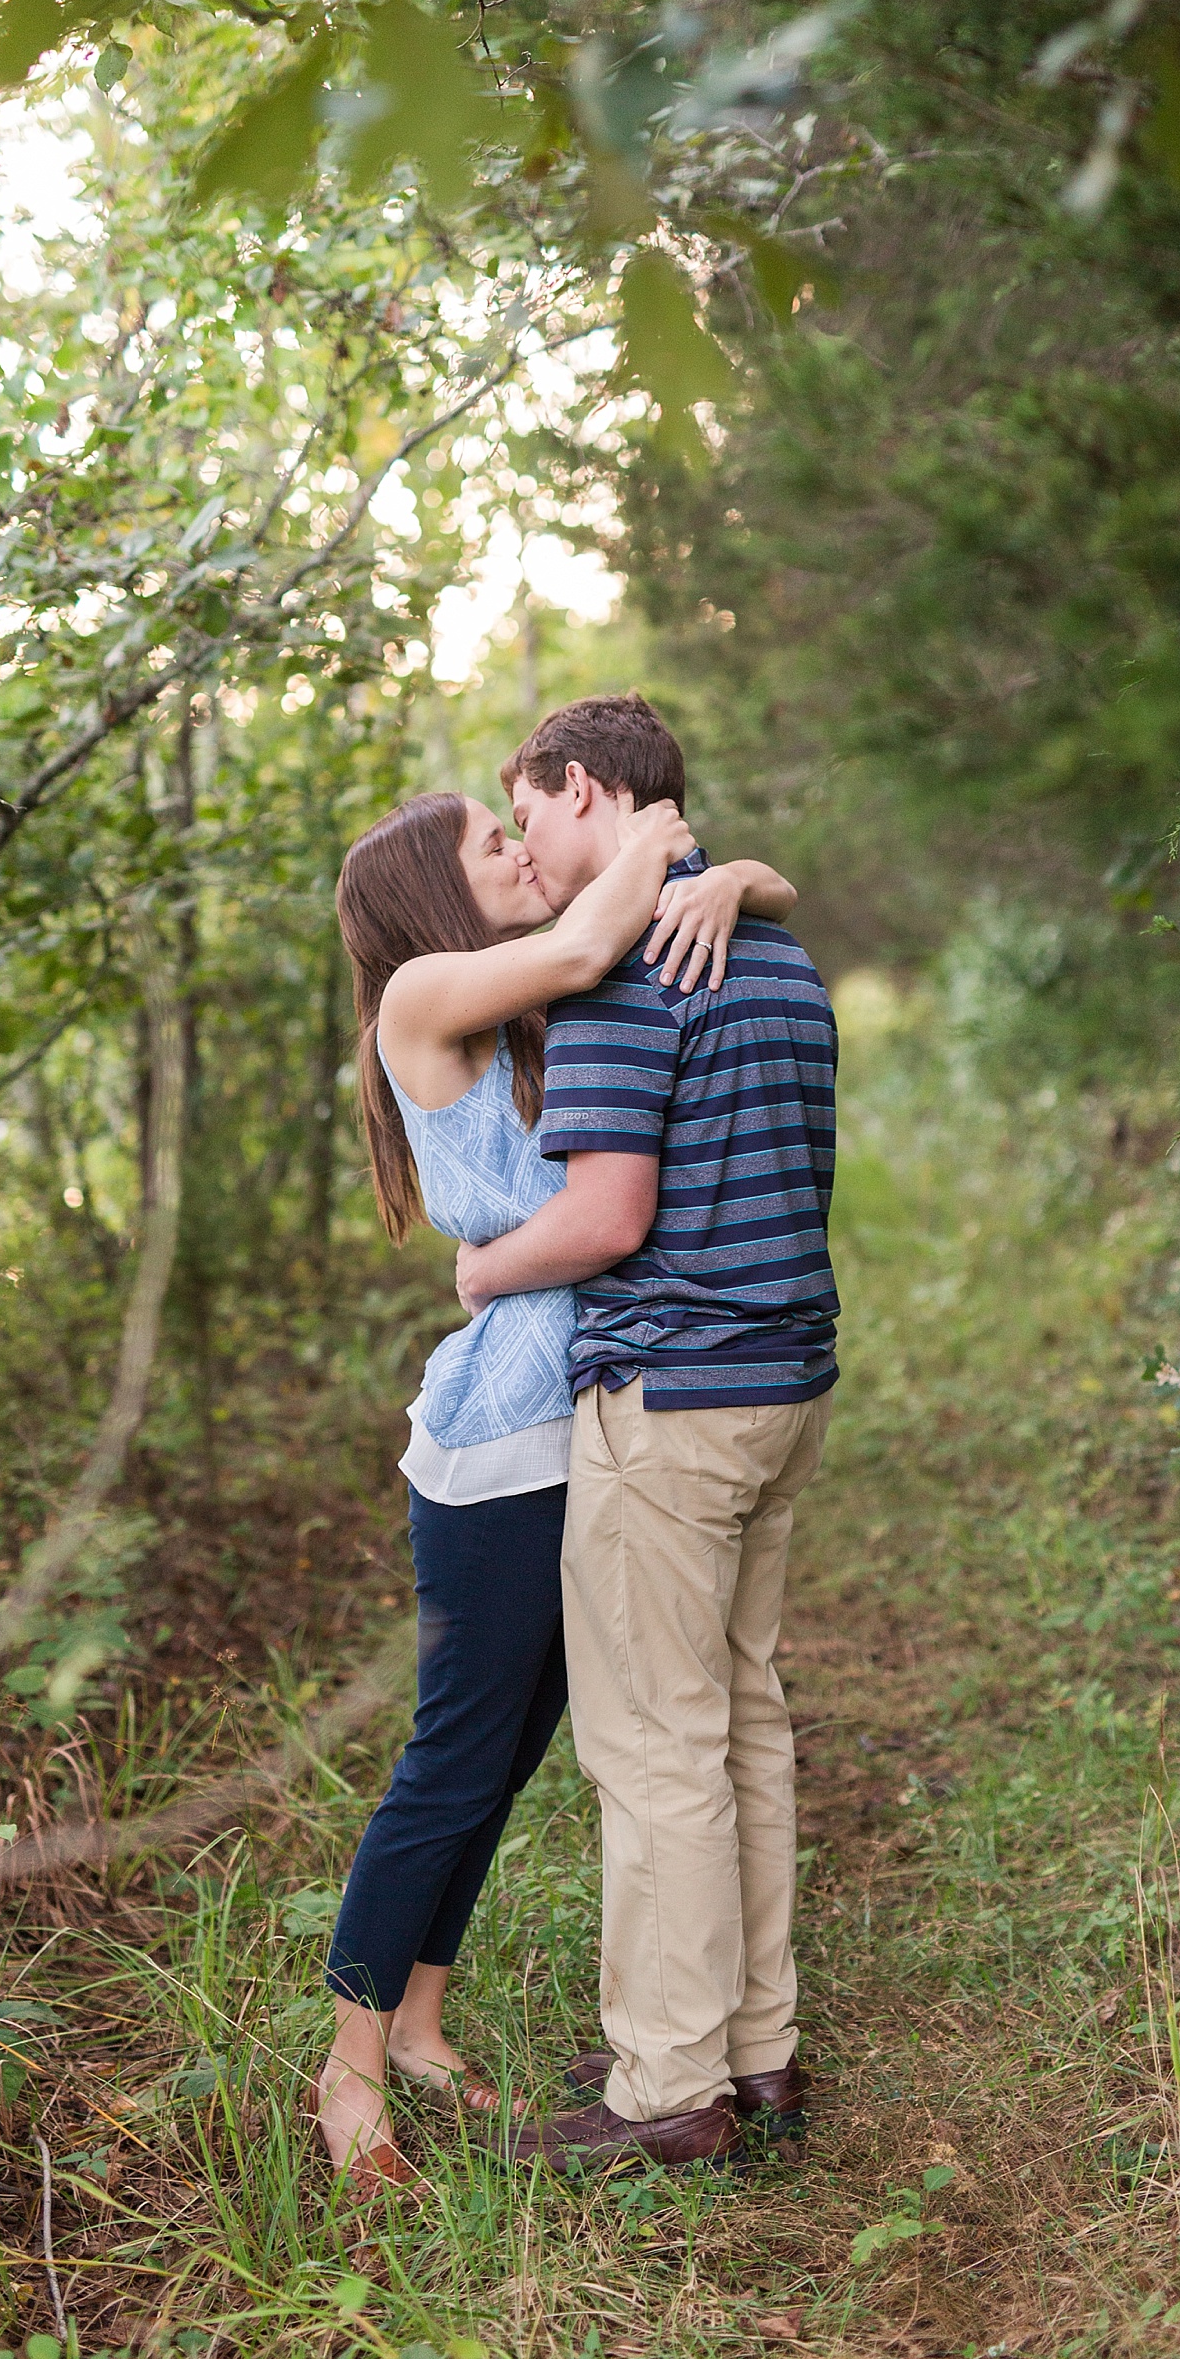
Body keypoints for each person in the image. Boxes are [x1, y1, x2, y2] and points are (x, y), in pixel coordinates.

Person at [311, 779, 798, 2198]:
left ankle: (418, 2027)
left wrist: (732, 875)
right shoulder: (422, 989)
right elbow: (594, 941)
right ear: (430, 890)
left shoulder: (518, 1002)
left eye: (523, 831)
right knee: (450, 1758)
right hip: (499, 1441)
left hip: (579, 1414)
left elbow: (691, 913)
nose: (521, 853)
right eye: (492, 843)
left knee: (513, 1750)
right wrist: (657, 840)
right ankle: (344, 2070)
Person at [455, 693, 840, 2177]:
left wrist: (483, 1268)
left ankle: (668, 2086)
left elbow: (607, 1215)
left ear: (587, 788)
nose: (533, 848)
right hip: (784, 1385)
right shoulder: (783, 955)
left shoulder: (629, 976)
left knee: (654, 1744)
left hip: (674, 1397)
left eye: (530, 812)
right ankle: (758, 2052)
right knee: (740, 1717)